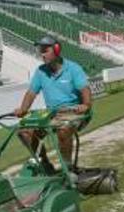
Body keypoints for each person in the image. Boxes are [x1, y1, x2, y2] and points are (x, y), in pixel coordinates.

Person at [14, 36, 92, 172]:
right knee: (24, 131)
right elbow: (31, 93)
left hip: (74, 111)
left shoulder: (73, 69)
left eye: (45, 50)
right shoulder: (40, 71)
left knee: (64, 130)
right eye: (40, 50)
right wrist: (23, 109)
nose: (42, 54)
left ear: (56, 49)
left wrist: (86, 105)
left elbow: (85, 90)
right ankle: (44, 164)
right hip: (52, 113)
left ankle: (67, 168)